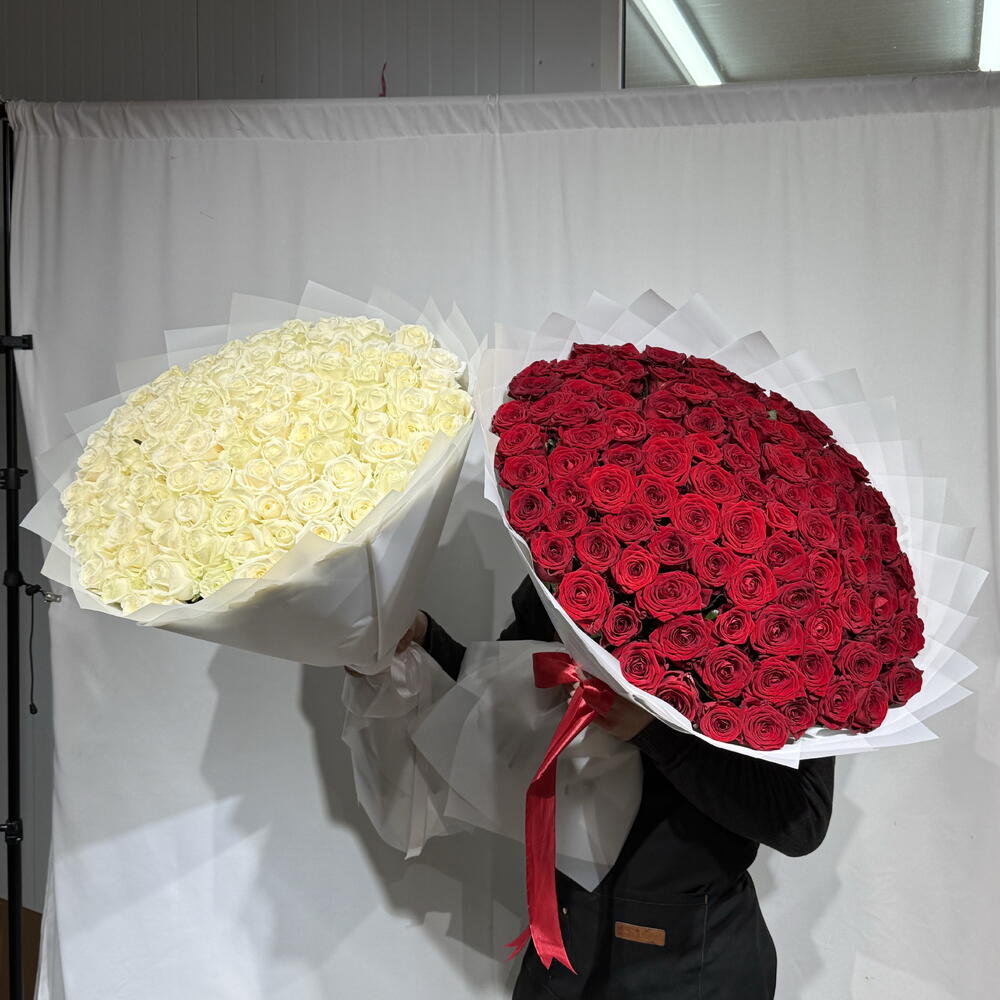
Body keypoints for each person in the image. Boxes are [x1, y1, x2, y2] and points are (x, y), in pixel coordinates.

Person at [399, 577, 835, 1000]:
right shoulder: (569, 565)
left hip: (692, 966)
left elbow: (802, 822)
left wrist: (654, 732)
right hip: (566, 941)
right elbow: (501, 699)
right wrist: (424, 638)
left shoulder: (791, 604)